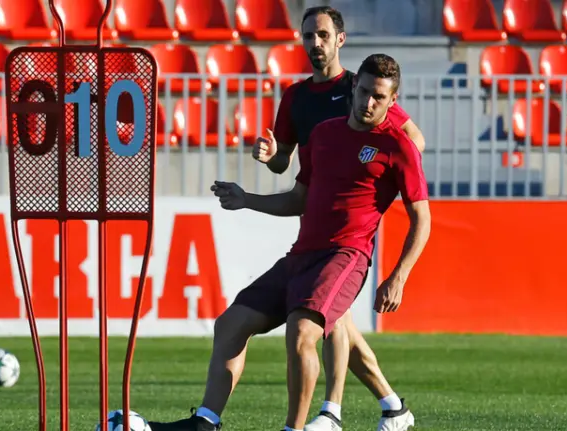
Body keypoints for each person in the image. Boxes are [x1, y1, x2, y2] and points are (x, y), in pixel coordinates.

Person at [149, 53, 429, 431]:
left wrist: (399, 277)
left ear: (392, 101)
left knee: (302, 332)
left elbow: (422, 220)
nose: (368, 102)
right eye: (363, 91)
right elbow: (299, 198)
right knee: (230, 323)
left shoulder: (397, 146)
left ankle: (296, 428)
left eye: (379, 97)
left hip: (346, 255)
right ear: (355, 88)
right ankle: (206, 422)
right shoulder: (325, 135)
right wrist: (247, 199)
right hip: (301, 255)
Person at [253, 6, 425, 431]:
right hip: (313, 231)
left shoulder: (356, 84)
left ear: (339, 40)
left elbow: (411, 141)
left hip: (350, 233)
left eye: (323, 35)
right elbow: (287, 169)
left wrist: (376, 180)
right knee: (337, 322)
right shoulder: (295, 99)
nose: (315, 42)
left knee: (317, 323)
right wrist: (271, 158)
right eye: (308, 34)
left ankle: (331, 411)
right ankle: (392, 406)